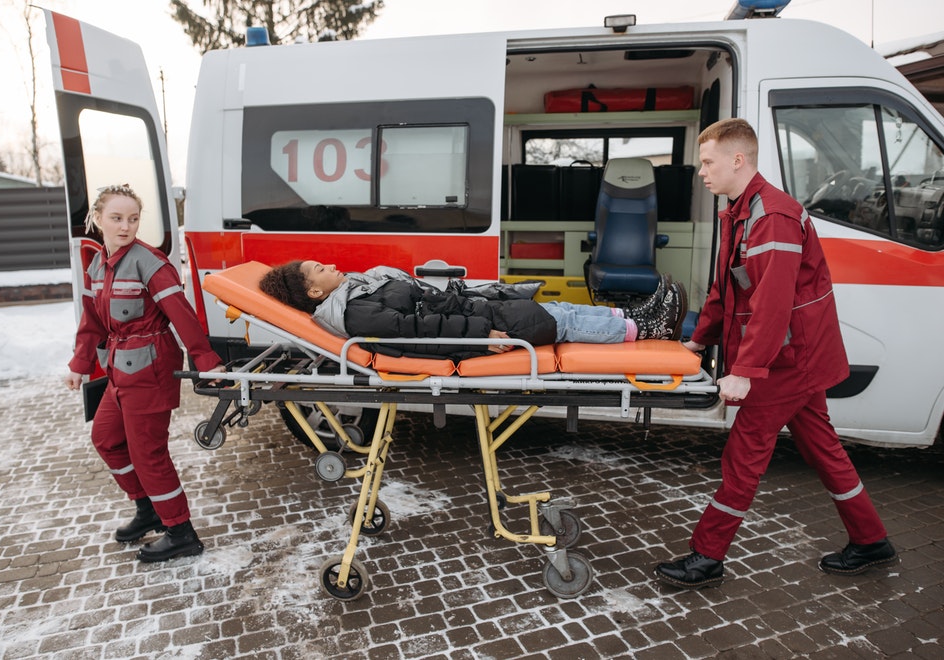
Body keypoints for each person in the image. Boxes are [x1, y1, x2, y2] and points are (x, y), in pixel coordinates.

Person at [654, 119, 895, 589]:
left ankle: (707, 557)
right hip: (794, 356)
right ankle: (871, 539)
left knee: (744, 455)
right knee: (823, 449)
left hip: (788, 360)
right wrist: (701, 339)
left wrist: (744, 370)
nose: (702, 172)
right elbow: (729, 288)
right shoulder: (740, 212)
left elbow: (773, 302)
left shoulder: (772, 217)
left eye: (708, 162)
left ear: (737, 160)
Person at [64, 184, 224, 563]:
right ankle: (148, 508)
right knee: (106, 439)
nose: (125, 226)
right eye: (117, 218)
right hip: (120, 370)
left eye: (133, 218)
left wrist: (206, 361)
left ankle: (180, 531)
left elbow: (181, 315)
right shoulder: (98, 263)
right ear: (98, 219)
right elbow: (93, 322)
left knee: (148, 453)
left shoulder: (150, 262)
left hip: (150, 367)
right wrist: (79, 364)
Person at [258, 260, 687, 359]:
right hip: (479, 328)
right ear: (315, 293)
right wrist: (480, 337)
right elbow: (419, 333)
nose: (329, 265)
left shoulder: (357, 288)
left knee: (555, 307)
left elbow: (422, 300)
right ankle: (649, 329)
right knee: (561, 322)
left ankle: (632, 317)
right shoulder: (354, 314)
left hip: (474, 310)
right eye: (320, 269)